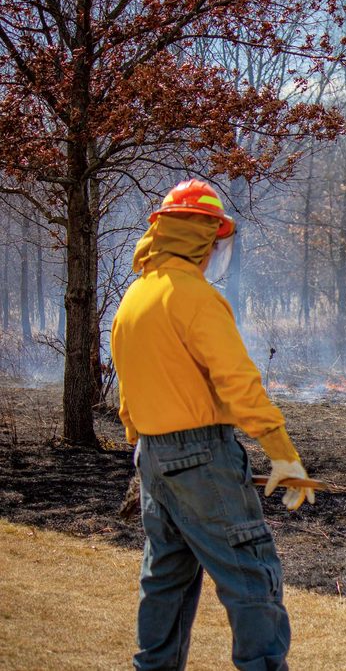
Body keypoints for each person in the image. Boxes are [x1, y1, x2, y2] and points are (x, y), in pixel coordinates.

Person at [111, 178, 314, 671]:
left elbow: (129, 392)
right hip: (202, 457)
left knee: (166, 579)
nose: (219, 252)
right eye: (217, 241)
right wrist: (282, 451)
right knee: (251, 573)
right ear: (202, 238)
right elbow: (239, 383)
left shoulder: (134, 299)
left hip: (154, 459)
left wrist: (143, 450)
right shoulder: (196, 297)